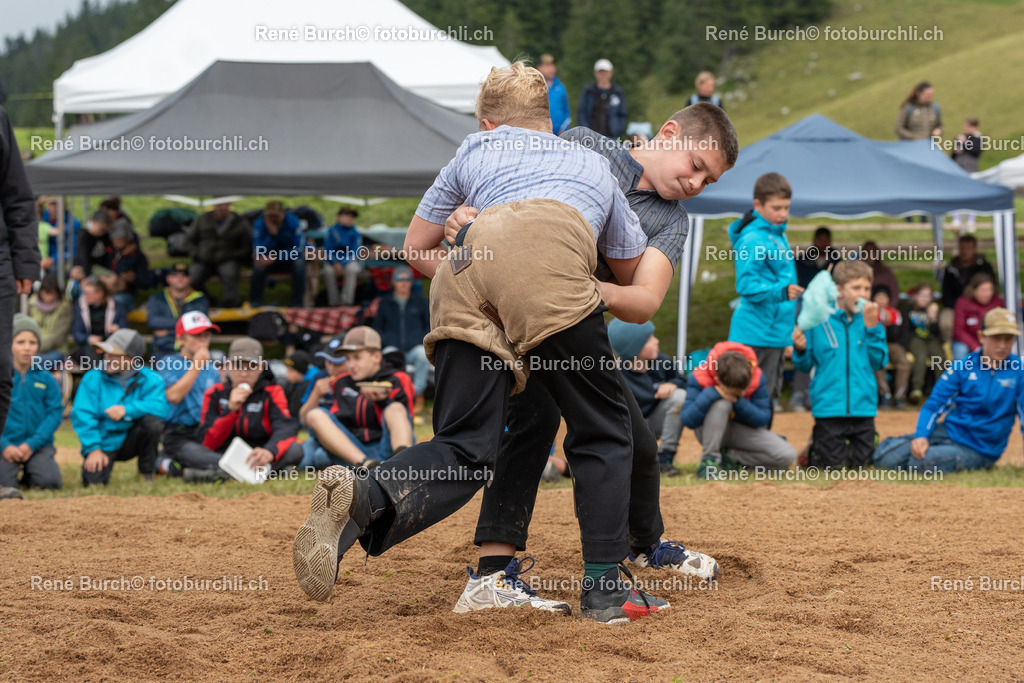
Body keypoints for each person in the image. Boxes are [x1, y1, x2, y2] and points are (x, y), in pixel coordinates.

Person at [293, 62, 681, 623]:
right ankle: (603, 589)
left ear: (488, 121)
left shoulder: (473, 151)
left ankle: (368, 495)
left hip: (465, 270)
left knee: (466, 445)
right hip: (547, 268)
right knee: (603, 431)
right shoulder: (588, 162)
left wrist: (474, 260)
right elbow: (623, 270)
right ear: (548, 121)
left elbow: (416, 250)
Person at [447, 101, 735, 617]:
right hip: (513, 322)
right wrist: (463, 216)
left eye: (708, 181)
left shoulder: (672, 221)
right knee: (529, 431)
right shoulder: (581, 143)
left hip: (578, 332)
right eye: (695, 165)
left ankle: (643, 547)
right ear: (668, 133)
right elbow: (499, 189)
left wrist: (571, 285)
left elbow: (644, 302)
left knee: (639, 444)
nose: (696, 183)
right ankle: (494, 574)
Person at [874, 307, 1024, 473]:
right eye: (996, 338)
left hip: (980, 449)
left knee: (919, 464)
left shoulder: (1020, 371)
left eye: (1008, 339)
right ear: (981, 336)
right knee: (885, 459)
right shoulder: (963, 366)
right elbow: (934, 405)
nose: (1002, 345)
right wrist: (922, 436)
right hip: (949, 432)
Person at [791, 260, 888, 468]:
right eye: (856, 288)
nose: (863, 294)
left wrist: (873, 330)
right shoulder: (819, 319)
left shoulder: (871, 321)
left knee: (862, 467)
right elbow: (805, 365)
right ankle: (813, 452)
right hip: (829, 407)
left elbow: (879, 362)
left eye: (867, 288)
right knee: (830, 467)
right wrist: (800, 350)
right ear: (839, 290)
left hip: (863, 407)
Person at [727, 172, 802, 412]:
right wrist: (781, 292)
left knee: (767, 399)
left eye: (787, 207)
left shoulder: (778, 234)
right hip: (754, 335)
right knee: (747, 399)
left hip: (775, 333)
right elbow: (746, 286)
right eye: (777, 207)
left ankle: (758, 449)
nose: (783, 214)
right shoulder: (753, 240)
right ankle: (741, 449)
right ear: (757, 205)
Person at [299, 326, 414, 470]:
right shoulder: (340, 382)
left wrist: (383, 402)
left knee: (395, 408)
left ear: (377, 357)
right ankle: (366, 465)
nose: (351, 365)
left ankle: (404, 466)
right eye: (347, 359)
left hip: (388, 448)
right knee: (315, 415)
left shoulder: (398, 379)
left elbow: (406, 421)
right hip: (354, 453)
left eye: (357, 358)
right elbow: (332, 424)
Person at [681, 341, 795, 478]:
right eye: (735, 392)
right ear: (718, 379)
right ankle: (709, 462)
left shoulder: (756, 376)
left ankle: (731, 458)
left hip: (740, 431)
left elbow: (763, 418)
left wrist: (738, 401)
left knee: (787, 455)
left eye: (743, 391)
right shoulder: (700, 376)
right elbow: (687, 419)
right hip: (708, 431)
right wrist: (713, 392)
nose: (740, 394)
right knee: (722, 404)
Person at [71, 329, 167, 485]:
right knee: (93, 482)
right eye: (106, 353)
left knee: (153, 423)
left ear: (131, 358)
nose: (106, 358)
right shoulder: (92, 377)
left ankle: (146, 472)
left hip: (132, 439)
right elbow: (82, 415)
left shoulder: (151, 378)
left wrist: (126, 410)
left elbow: (160, 407)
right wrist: (94, 449)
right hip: (103, 442)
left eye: (113, 354)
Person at [196, 337, 303, 473]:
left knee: (295, 449)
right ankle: (264, 472)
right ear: (228, 365)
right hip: (224, 453)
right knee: (191, 451)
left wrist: (269, 451)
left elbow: (285, 428)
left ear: (261, 367)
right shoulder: (214, 393)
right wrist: (230, 411)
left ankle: (223, 473)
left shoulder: (272, 391)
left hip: (260, 452)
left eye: (251, 366)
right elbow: (207, 442)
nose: (244, 373)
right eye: (238, 366)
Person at [607, 319, 686, 474]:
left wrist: (673, 384)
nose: (657, 341)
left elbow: (682, 381)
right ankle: (637, 461)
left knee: (679, 396)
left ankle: (666, 457)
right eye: (650, 339)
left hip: (655, 422)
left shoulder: (662, 361)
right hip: (632, 431)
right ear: (635, 348)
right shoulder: (619, 377)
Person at [156, 311, 225, 482]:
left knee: (227, 455)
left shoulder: (212, 369)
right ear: (180, 339)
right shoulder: (168, 363)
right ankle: (169, 464)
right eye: (196, 335)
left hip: (205, 432)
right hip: (179, 434)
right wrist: (197, 365)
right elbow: (173, 396)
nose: (203, 341)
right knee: (220, 462)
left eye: (206, 336)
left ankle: (178, 467)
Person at [0, 315, 62, 490]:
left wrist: (32, 444)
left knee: (50, 482)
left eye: (32, 342)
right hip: (5, 445)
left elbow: (54, 412)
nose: (27, 348)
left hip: (38, 445)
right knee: (4, 485)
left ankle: (32, 471)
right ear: (8, 344)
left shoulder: (46, 377)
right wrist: (4, 445)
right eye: (20, 342)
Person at [372, 266, 431, 421]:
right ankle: (390, 393)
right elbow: (378, 328)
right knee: (386, 354)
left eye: (407, 279)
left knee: (422, 354)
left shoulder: (421, 302)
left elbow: (429, 326)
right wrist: (387, 341)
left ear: (412, 282)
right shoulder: (385, 303)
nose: (403, 283)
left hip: (413, 348)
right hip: (393, 348)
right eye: (399, 279)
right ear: (393, 282)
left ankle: (417, 394)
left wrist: (419, 339)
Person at [187, 202, 252, 308]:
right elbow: (189, 239)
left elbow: (248, 244)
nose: (222, 208)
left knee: (230, 275)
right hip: (203, 259)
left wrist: (236, 255)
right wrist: (196, 254)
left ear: (229, 205)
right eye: (219, 205)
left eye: (225, 205)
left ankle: (231, 305)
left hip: (228, 258)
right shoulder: (202, 219)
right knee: (192, 278)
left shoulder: (239, 222)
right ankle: (207, 300)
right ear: (214, 205)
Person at [939, 234, 997, 341]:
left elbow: (993, 289)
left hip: (981, 305)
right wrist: (960, 306)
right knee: (946, 321)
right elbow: (946, 294)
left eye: (969, 248)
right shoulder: (951, 269)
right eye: (962, 248)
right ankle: (950, 346)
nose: (965, 252)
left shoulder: (984, 267)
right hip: (956, 306)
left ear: (975, 249)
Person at [147, 262, 210, 359]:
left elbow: (199, 324)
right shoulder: (156, 298)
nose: (180, 278)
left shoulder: (200, 298)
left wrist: (168, 331)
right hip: (163, 348)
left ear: (190, 279)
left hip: (191, 349)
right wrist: (185, 325)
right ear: (168, 278)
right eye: (175, 275)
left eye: (184, 275)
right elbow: (153, 321)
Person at [251, 200, 306, 308]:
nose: (273, 219)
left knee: (299, 264)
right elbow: (258, 249)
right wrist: (271, 236)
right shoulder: (260, 224)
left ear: (283, 214)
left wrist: (276, 257)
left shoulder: (293, 222)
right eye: (270, 216)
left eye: (276, 216)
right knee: (258, 264)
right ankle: (255, 302)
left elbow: (298, 249)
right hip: (267, 260)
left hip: (287, 259)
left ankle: (297, 303)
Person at [899, 283, 945, 405]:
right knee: (921, 356)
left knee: (939, 357)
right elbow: (905, 330)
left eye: (928, 296)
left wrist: (933, 318)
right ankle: (917, 389)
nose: (924, 299)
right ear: (915, 296)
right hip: (915, 339)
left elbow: (936, 332)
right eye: (922, 295)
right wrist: (905, 345)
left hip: (931, 339)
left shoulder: (933, 310)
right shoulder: (908, 311)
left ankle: (941, 390)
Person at [71, 277, 127, 367]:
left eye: (88, 293)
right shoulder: (80, 306)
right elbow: (76, 331)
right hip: (87, 346)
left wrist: (117, 329)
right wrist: (88, 338)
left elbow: (124, 330)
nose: (85, 296)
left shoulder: (116, 307)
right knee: (91, 355)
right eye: (84, 293)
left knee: (115, 357)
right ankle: (96, 379)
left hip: (110, 345)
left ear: (100, 294)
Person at [872, 285, 910, 409]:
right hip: (876, 344)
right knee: (877, 362)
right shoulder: (869, 313)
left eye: (884, 297)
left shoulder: (895, 313)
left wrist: (889, 325)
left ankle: (900, 397)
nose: (882, 300)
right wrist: (878, 322)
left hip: (892, 344)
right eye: (879, 297)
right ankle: (885, 395)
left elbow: (898, 335)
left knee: (904, 363)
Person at [952, 273, 1003, 361]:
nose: (988, 294)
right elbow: (959, 331)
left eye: (990, 290)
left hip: (991, 340)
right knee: (961, 351)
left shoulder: (997, 302)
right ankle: (958, 374)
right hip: (966, 341)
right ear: (973, 290)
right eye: (983, 290)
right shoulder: (963, 303)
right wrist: (975, 346)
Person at [108, 219, 155, 311]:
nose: (119, 241)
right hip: (104, 291)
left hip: (125, 294)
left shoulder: (137, 256)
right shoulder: (107, 253)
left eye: (122, 238)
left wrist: (135, 278)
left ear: (128, 239)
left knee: (116, 301)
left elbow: (146, 281)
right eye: (116, 238)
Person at [28, 274, 72, 367]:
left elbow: (59, 336)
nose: (49, 297)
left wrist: (37, 347)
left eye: (52, 293)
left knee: (32, 362)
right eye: (46, 293)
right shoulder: (31, 304)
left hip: (56, 350)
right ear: (40, 292)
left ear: (57, 293)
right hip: (32, 348)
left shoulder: (65, 307)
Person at [322, 207, 363, 306]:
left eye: (351, 217)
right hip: (333, 262)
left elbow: (355, 251)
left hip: (349, 261)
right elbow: (327, 251)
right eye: (347, 216)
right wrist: (335, 263)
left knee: (351, 269)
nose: (350, 219)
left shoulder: (355, 233)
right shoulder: (332, 231)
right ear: (339, 217)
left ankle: (346, 302)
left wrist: (343, 264)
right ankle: (334, 303)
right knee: (328, 271)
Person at [577, 59, 627, 139]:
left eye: (605, 72)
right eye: (600, 72)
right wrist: (585, 132)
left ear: (611, 73)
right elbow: (582, 112)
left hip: (611, 137)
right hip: (591, 137)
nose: (603, 75)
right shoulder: (589, 92)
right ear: (595, 73)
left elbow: (622, 114)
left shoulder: (617, 92)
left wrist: (617, 129)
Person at [951, 117, 983, 232]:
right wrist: (956, 149)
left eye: (969, 127)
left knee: (972, 195)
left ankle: (971, 220)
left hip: (971, 170)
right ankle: (956, 219)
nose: (967, 129)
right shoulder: (959, 137)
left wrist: (964, 144)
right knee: (957, 194)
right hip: (959, 169)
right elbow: (953, 156)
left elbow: (976, 152)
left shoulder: (978, 139)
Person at [69, 210, 113, 283]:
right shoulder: (84, 236)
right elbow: (84, 258)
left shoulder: (105, 236)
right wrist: (88, 277)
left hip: (101, 269)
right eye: (101, 229)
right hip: (87, 270)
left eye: (105, 230)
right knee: (112, 279)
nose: (102, 232)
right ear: (93, 221)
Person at [537, 54, 571, 134]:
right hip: (539, 133)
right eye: (548, 65)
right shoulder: (534, 86)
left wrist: (564, 128)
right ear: (539, 67)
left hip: (558, 135)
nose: (551, 69)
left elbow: (566, 112)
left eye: (553, 65)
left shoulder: (560, 87)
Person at [283, 350, 315, 419]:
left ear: (300, 370)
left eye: (291, 370)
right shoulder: (291, 383)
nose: (287, 374)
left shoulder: (311, 385)